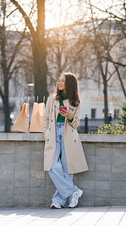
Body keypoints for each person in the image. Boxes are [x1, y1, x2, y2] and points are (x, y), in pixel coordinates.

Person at [43, 72, 88, 209]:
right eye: (59, 81)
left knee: (67, 168)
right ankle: (74, 191)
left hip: (68, 135)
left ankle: (58, 201)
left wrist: (69, 116)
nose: (59, 83)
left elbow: (76, 124)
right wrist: (46, 133)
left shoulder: (76, 102)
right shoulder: (52, 99)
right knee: (52, 166)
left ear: (69, 84)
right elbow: (45, 119)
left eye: (63, 81)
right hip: (54, 134)